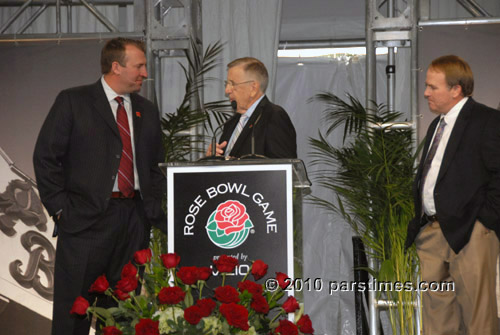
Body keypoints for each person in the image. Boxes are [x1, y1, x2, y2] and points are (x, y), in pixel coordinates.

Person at [33, 38, 166, 335]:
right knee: (74, 314)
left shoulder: (148, 110)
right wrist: (61, 210)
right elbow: (45, 158)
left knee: (123, 313)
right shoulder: (73, 101)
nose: (145, 73)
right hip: (85, 223)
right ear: (116, 66)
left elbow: (156, 166)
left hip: (134, 222)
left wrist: (151, 209)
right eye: (139, 66)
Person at [405, 55, 500, 334]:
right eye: (426, 86)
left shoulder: (488, 121)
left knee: (478, 319)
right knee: (436, 318)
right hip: (432, 230)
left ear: (456, 89)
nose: (426, 93)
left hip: (472, 232)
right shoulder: (437, 124)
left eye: (433, 87)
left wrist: (484, 221)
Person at [207, 57, 297, 158]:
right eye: (227, 84)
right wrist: (213, 159)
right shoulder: (230, 123)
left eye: (232, 84)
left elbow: (283, 166)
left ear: (253, 88)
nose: (227, 90)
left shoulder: (273, 116)